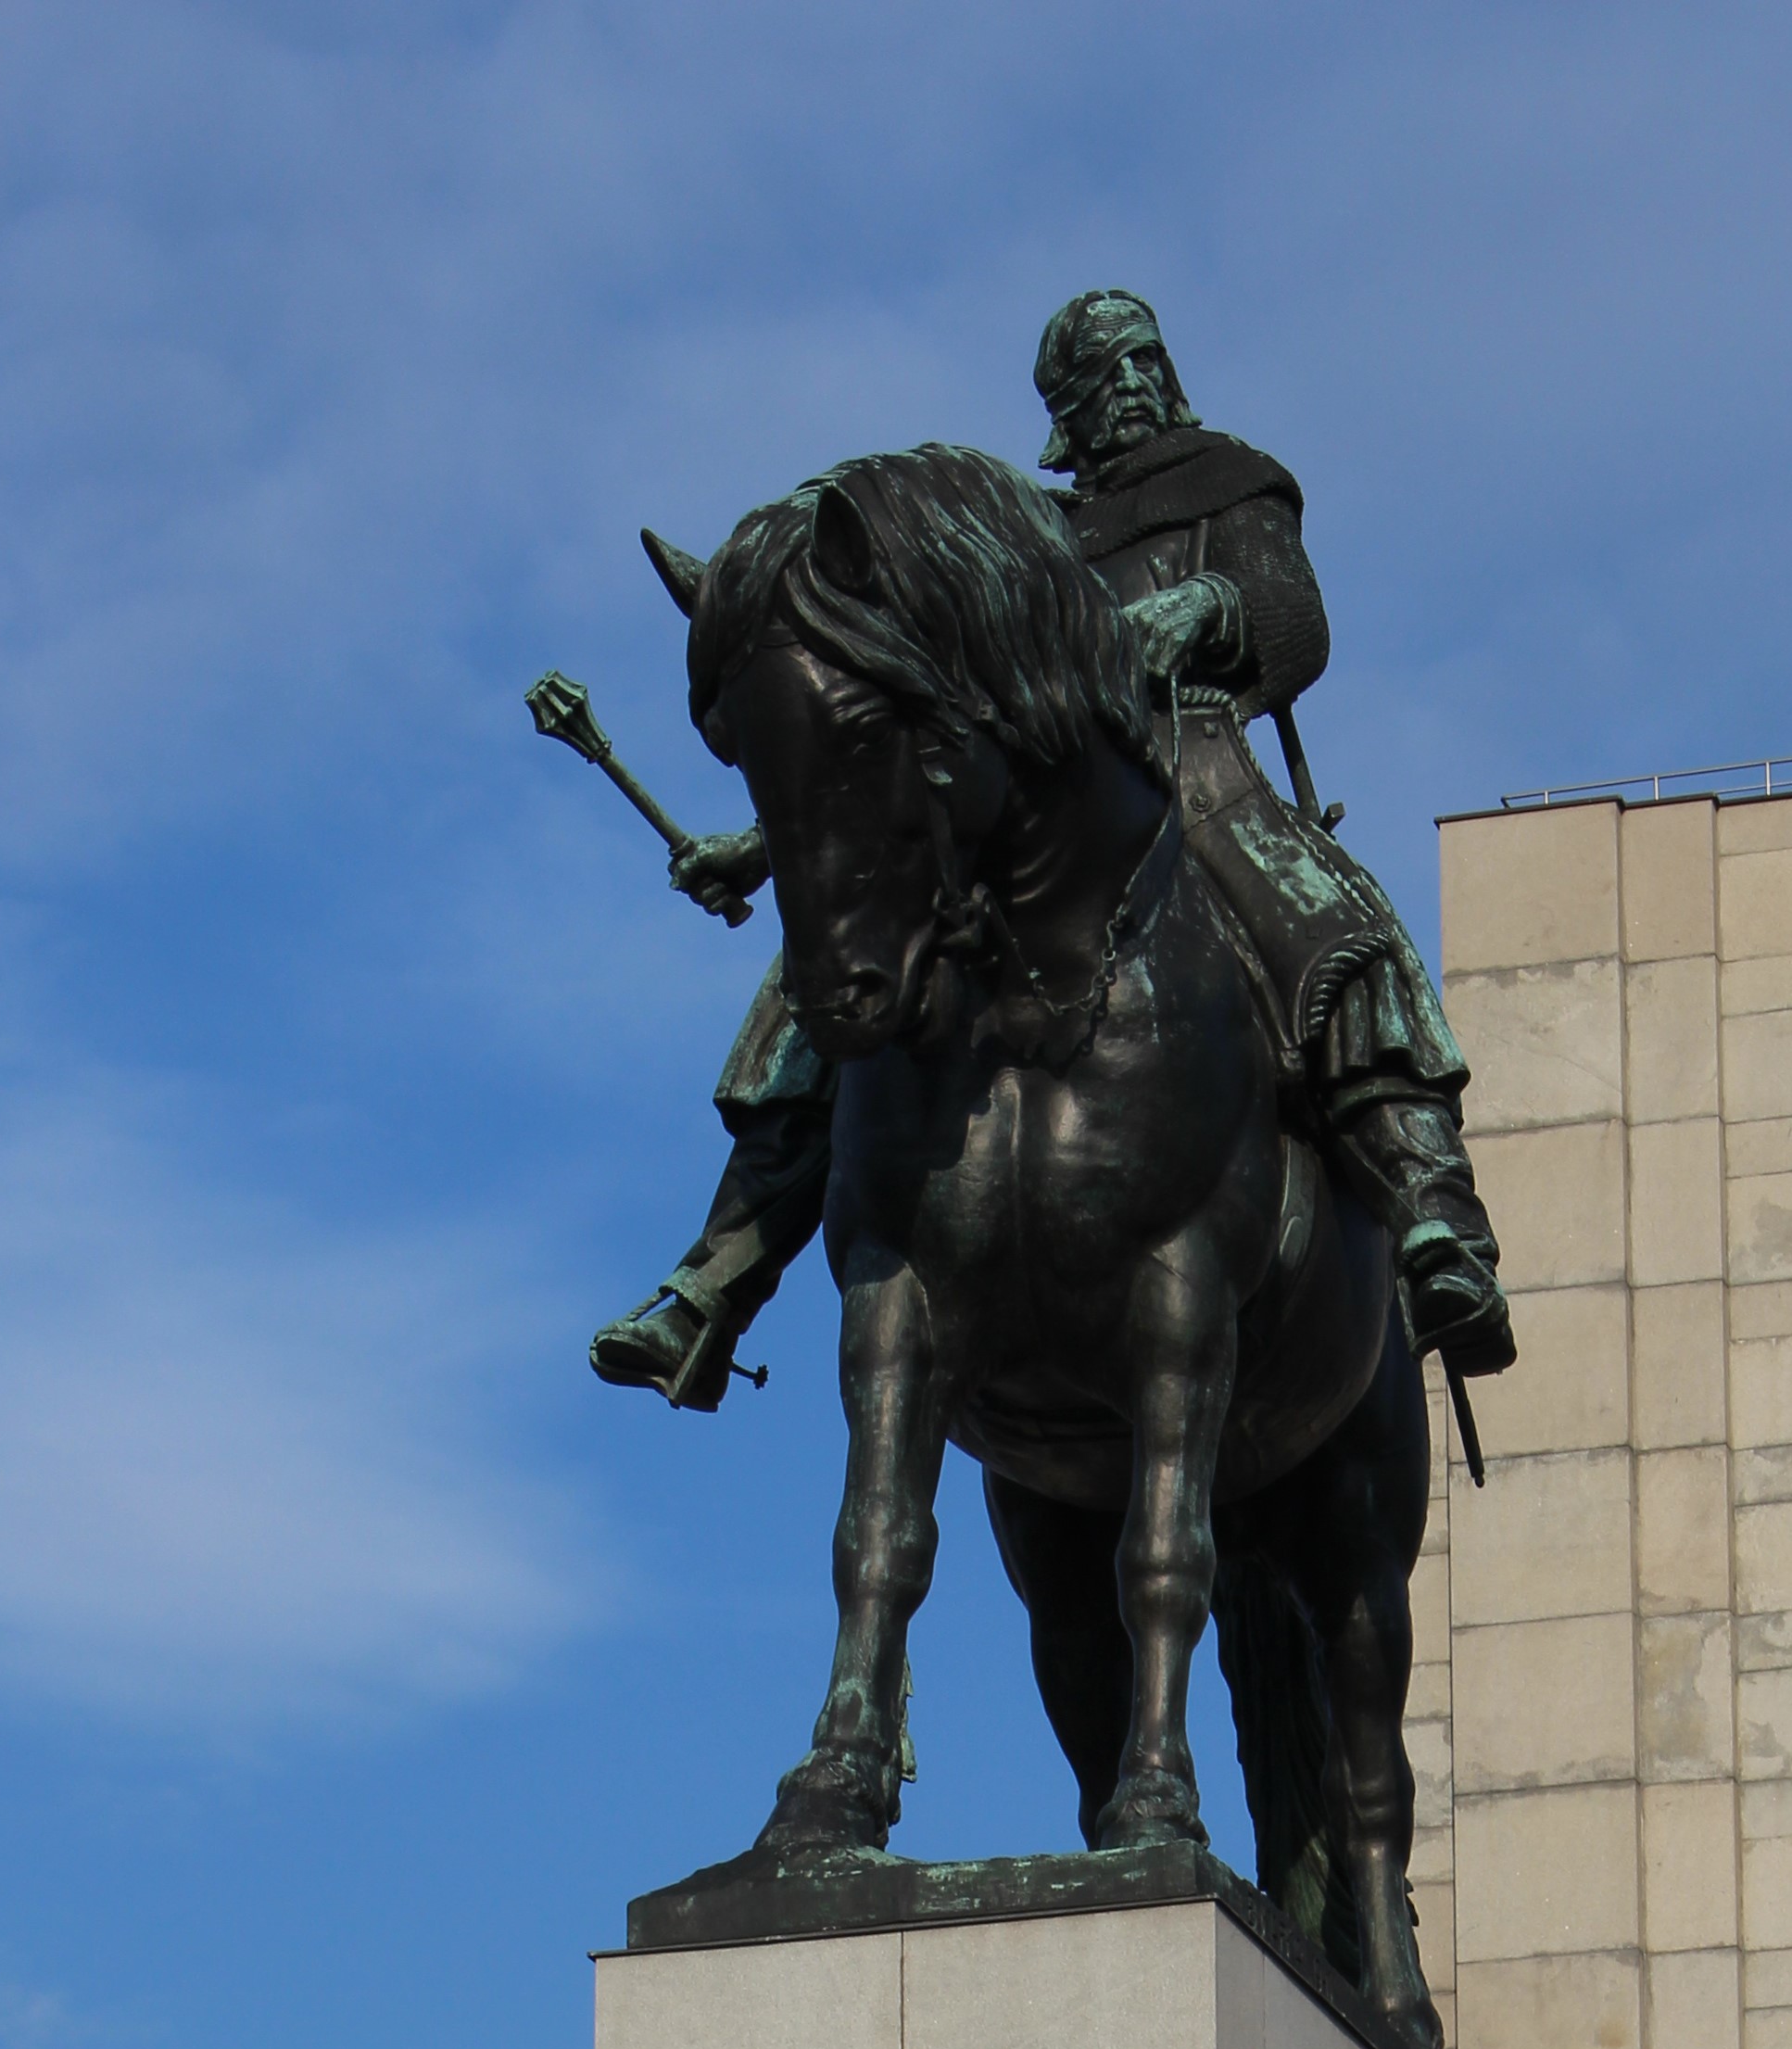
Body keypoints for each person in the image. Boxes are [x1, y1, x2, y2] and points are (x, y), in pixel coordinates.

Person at [587, 288, 1514, 1415]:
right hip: (1033, 801)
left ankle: (1434, 1212)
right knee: (831, 953)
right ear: (1063, 415)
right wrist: (765, 849)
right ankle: (718, 1278)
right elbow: (908, 738)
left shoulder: (1230, 480)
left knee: (1333, 924)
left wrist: (1208, 608)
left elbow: (1290, 615)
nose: (1132, 388)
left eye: (1143, 363)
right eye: (1102, 378)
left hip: (1195, 767)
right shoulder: (1027, 535)